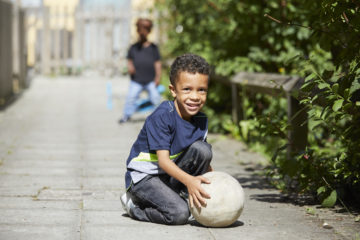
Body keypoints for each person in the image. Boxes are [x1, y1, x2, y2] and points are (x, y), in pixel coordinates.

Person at [121, 53, 213, 225]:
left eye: (201, 90)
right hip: (145, 178)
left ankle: (175, 193)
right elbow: (163, 162)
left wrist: (215, 183)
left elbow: (204, 161)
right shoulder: (163, 116)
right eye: (187, 89)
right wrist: (190, 181)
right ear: (173, 90)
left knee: (204, 150)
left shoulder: (201, 120)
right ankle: (135, 206)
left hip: (168, 176)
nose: (195, 96)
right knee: (179, 214)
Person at [119, 18, 162, 123]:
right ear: (137, 31)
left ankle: (160, 119)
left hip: (150, 80)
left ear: (149, 31)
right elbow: (129, 60)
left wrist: (158, 77)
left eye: (145, 29)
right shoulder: (133, 47)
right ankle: (126, 115)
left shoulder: (153, 47)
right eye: (140, 29)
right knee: (131, 98)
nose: (143, 32)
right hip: (136, 80)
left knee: (155, 98)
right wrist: (130, 66)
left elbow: (157, 63)